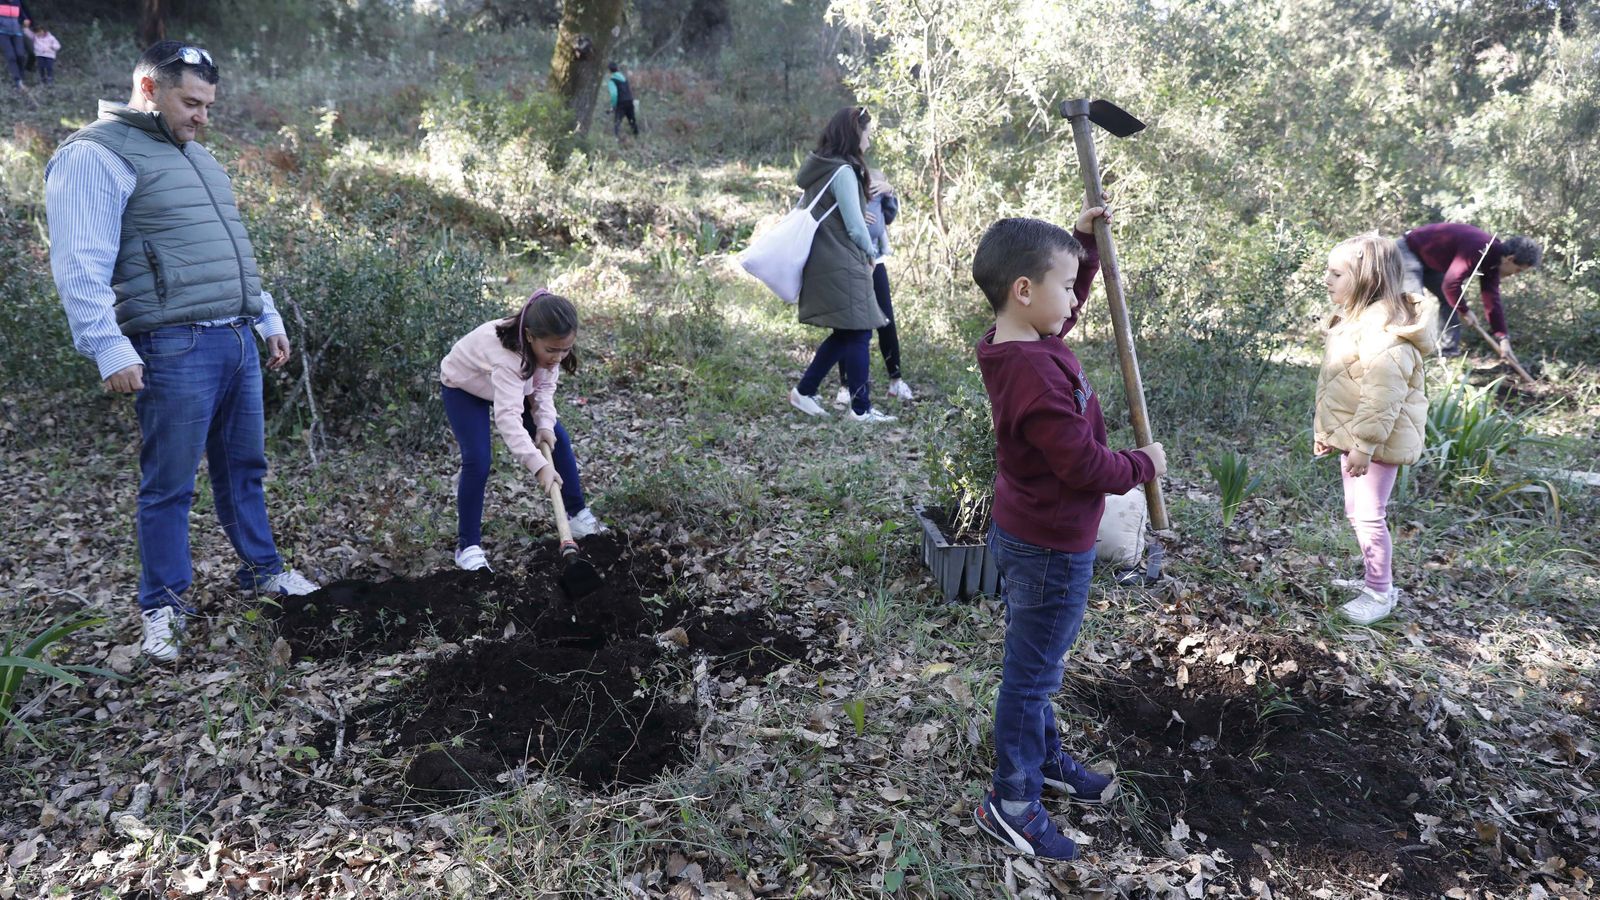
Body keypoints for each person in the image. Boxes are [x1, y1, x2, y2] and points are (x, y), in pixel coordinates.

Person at [45, 42, 321, 664]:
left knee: (244, 468)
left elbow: (226, 250)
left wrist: (265, 314)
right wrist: (107, 347)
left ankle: (262, 571)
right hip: (171, 345)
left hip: (234, 339)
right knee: (169, 485)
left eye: (208, 105)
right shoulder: (95, 154)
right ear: (148, 88)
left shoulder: (197, 156)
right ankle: (163, 605)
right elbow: (79, 262)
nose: (202, 117)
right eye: (190, 102)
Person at [969, 211, 1167, 860]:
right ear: (1024, 291)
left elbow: (1062, 312)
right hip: (1053, 547)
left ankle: (1046, 760)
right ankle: (1013, 803)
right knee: (1029, 680)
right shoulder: (1035, 377)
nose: (1073, 298)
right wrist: (1143, 466)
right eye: (1066, 284)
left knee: (1037, 666)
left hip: (1028, 531)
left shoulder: (1019, 341)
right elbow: (1083, 467)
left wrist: (1080, 248)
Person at [1314, 235, 1438, 626]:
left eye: (1336, 273)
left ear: (1366, 279)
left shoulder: (1384, 336)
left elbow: (1382, 398)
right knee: (1358, 512)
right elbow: (1342, 386)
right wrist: (1329, 433)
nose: (1326, 279)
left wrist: (1364, 445)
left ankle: (1380, 592)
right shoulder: (1355, 325)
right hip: (1359, 440)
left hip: (1377, 443)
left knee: (1369, 514)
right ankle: (1372, 579)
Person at [440, 290, 606, 572]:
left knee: (557, 437)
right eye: (552, 350)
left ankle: (576, 514)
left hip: (511, 383)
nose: (559, 357)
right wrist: (539, 466)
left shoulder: (550, 350)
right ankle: (468, 547)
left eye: (565, 349)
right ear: (530, 336)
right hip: (464, 386)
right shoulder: (508, 358)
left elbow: (543, 388)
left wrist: (543, 424)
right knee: (478, 459)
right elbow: (508, 419)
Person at [787, 106, 895, 424]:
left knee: (849, 332)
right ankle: (859, 409)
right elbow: (855, 226)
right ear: (854, 133)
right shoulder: (844, 171)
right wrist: (870, 252)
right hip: (842, 260)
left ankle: (806, 392)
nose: (870, 142)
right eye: (868, 134)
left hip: (825, 258)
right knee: (859, 331)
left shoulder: (823, 167)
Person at [1395, 222, 1539, 358]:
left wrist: (1503, 338)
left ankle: (1448, 351)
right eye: (1518, 270)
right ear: (1510, 259)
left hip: (1431, 263)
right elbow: (1450, 284)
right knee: (1415, 302)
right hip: (1408, 251)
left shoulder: (1494, 262)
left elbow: (1492, 301)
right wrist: (1465, 311)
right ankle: (1405, 354)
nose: (1514, 274)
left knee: (1450, 300)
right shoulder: (1480, 248)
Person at [834, 167, 914, 406]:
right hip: (852, 262)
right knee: (847, 324)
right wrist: (857, 212)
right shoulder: (847, 187)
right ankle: (846, 386)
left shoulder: (881, 196)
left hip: (876, 263)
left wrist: (890, 193)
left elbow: (888, 217)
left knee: (886, 320)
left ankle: (896, 381)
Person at [1, 1, 32, 88]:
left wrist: (26, 20)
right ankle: (17, 80)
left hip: (17, 32)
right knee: (11, 57)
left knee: (20, 55)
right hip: (2, 33)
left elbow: (22, 15)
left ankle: (21, 76)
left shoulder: (17, 2)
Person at [606, 61, 638, 140]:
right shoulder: (623, 78)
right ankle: (636, 136)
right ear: (617, 69)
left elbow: (614, 94)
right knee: (632, 120)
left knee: (617, 121)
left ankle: (616, 138)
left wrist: (614, 105)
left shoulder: (612, 80)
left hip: (621, 103)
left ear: (609, 71)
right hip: (630, 100)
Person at [26, 20, 55, 85]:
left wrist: (51, 47)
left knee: (49, 67)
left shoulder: (51, 38)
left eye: (40, 31)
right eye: (37, 32)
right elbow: (29, 34)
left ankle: (50, 78)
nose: (39, 33)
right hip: (40, 55)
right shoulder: (35, 38)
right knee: (41, 67)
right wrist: (26, 27)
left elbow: (57, 45)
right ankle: (43, 78)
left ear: (44, 31)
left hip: (49, 55)